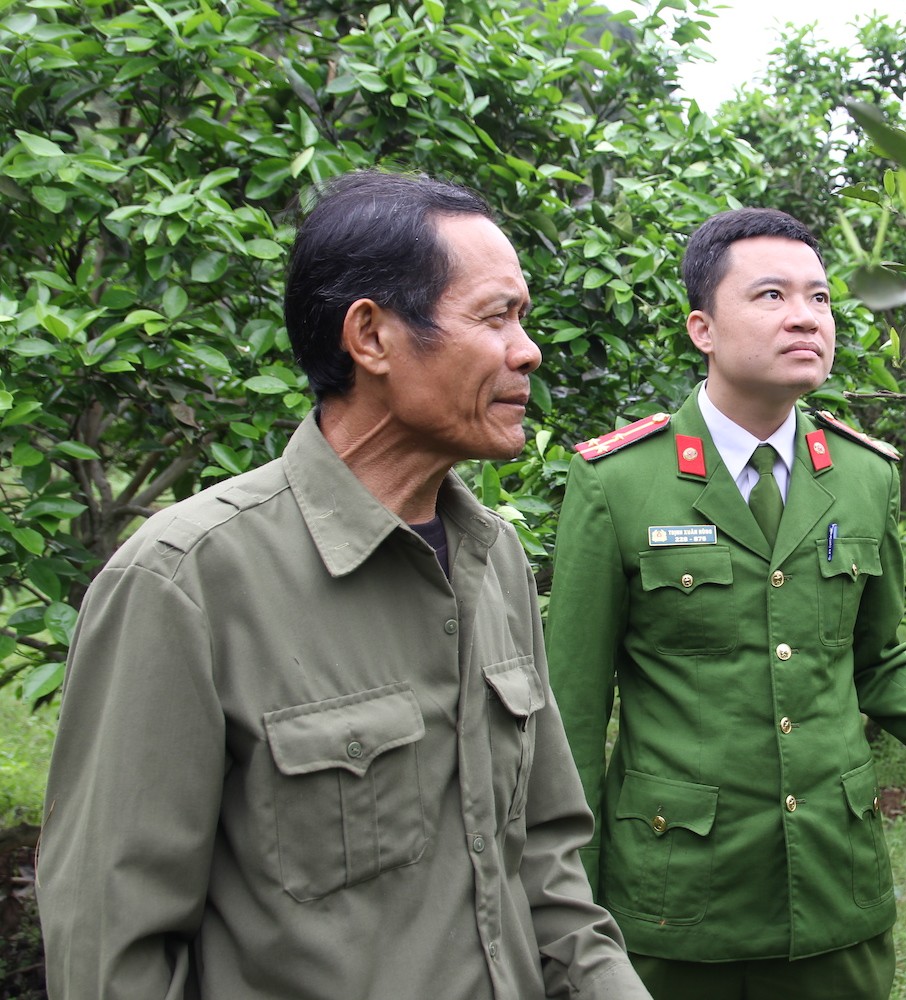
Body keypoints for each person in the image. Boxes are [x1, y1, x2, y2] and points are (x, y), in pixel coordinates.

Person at [36, 171, 650, 1000]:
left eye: (524, 319)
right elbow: (115, 948)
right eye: (495, 316)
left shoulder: (492, 555)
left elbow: (544, 867)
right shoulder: (188, 580)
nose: (527, 350)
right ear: (371, 336)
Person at [544, 206, 906, 998]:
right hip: (677, 902)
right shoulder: (619, 482)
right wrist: (566, 913)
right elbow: (572, 716)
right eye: (770, 296)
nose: (805, 317)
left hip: (835, 890)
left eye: (820, 298)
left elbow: (883, 664)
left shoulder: (863, 476)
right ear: (703, 328)